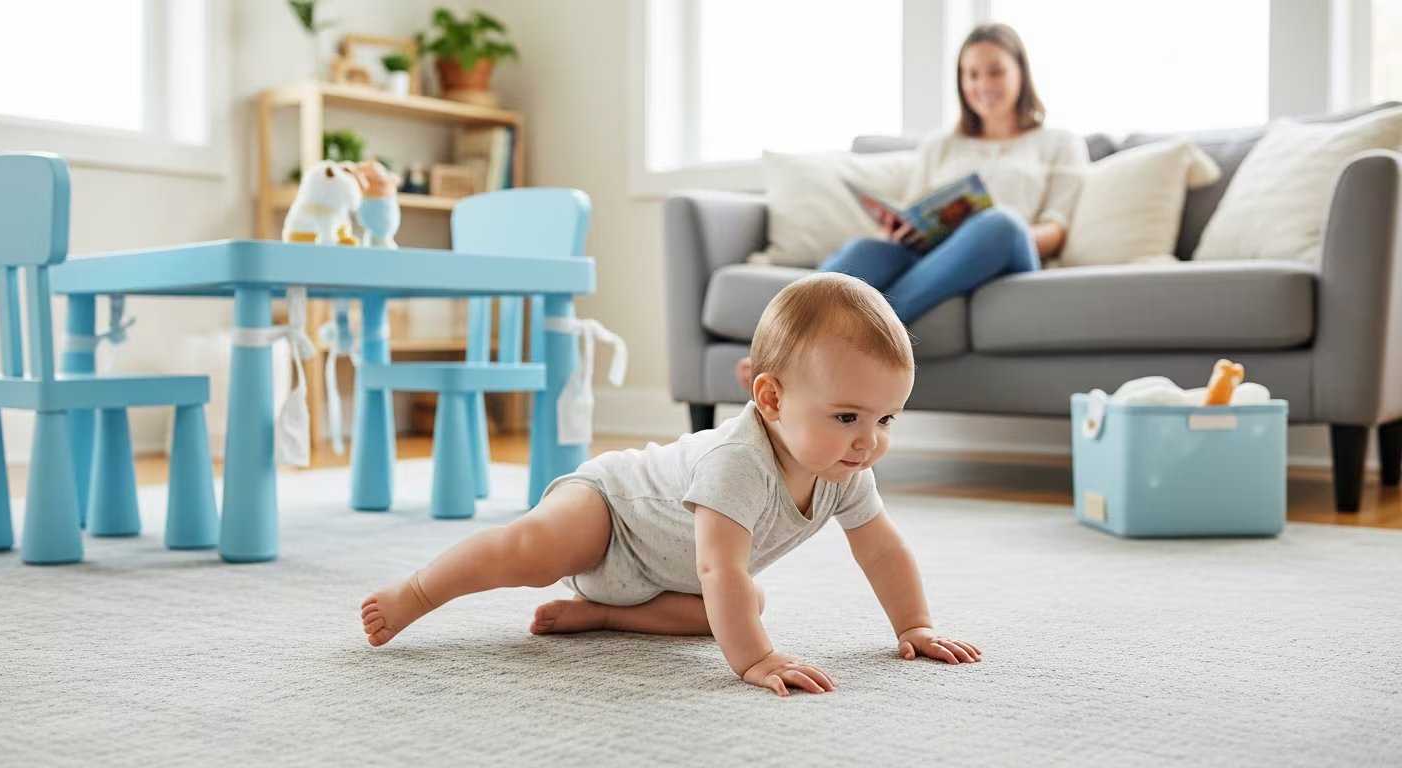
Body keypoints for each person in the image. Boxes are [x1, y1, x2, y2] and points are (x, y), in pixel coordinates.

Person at [360, 272, 981, 697]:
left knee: (745, 605)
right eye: (848, 417)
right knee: (529, 552)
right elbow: (718, 570)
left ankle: (604, 613)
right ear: (770, 398)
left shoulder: (845, 469)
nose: (868, 440)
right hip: (612, 513)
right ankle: (417, 590)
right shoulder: (739, 462)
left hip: (663, 577)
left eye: (886, 419)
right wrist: (756, 660)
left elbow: (882, 549)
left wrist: (913, 626)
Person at [736, 23, 1088, 391]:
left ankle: (851, 340)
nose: (983, 84)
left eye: (996, 71)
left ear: (1021, 72)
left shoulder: (1058, 142)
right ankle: (775, 349)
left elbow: (1056, 229)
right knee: (865, 250)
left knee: (1000, 223)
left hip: (1008, 253)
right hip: (937, 259)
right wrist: (903, 230)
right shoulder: (941, 145)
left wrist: (977, 233)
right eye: (971, 74)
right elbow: (915, 208)